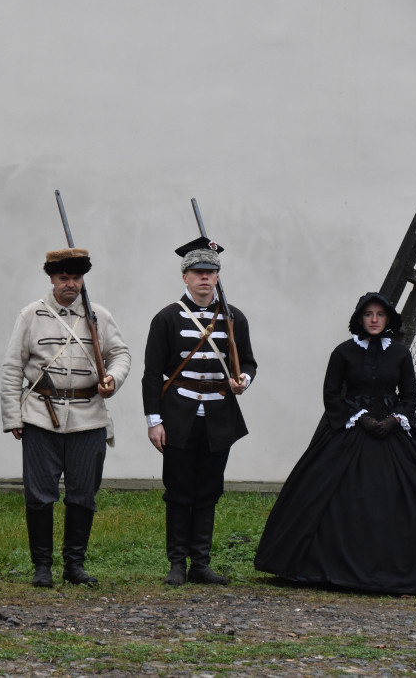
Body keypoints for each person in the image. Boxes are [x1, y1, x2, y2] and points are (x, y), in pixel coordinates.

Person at [255, 293, 416, 595]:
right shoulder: (343, 353)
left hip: (393, 431)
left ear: (388, 319)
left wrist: (393, 419)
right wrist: (360, 418)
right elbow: (332, 395)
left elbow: (410, 397)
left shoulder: (400, 354)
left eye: (380, 314)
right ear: (359, 318)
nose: (374, 319)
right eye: (368, 314)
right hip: (350, 431)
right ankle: (322, 566)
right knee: (324, 493)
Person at [1, 248, 131, 587]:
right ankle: (41, 567)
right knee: (40, 495)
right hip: (40, 416)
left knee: (83, 494)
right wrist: (13, 416)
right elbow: (13, 366)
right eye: (63, 278)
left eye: (76, 278)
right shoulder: (31, 315)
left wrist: (112, 379)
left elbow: (120, 354)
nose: (70, 284)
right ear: (51, 278)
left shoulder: (99, 315)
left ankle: (74, 566)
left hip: (89, 416)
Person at [141, 237, 256, 587]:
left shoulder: (233, 317)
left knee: (209, 489)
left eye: (210, 272)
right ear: (185, 277)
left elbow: (247, 361)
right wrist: (154, 421)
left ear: (217, 277)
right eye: (197, 272)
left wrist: (243, 380)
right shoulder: (167, 317)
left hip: (219, 414)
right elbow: (152, 373)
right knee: (178, 490)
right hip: (178, 414)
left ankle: (200, 564)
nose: (204, 278)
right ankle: (177, 563)